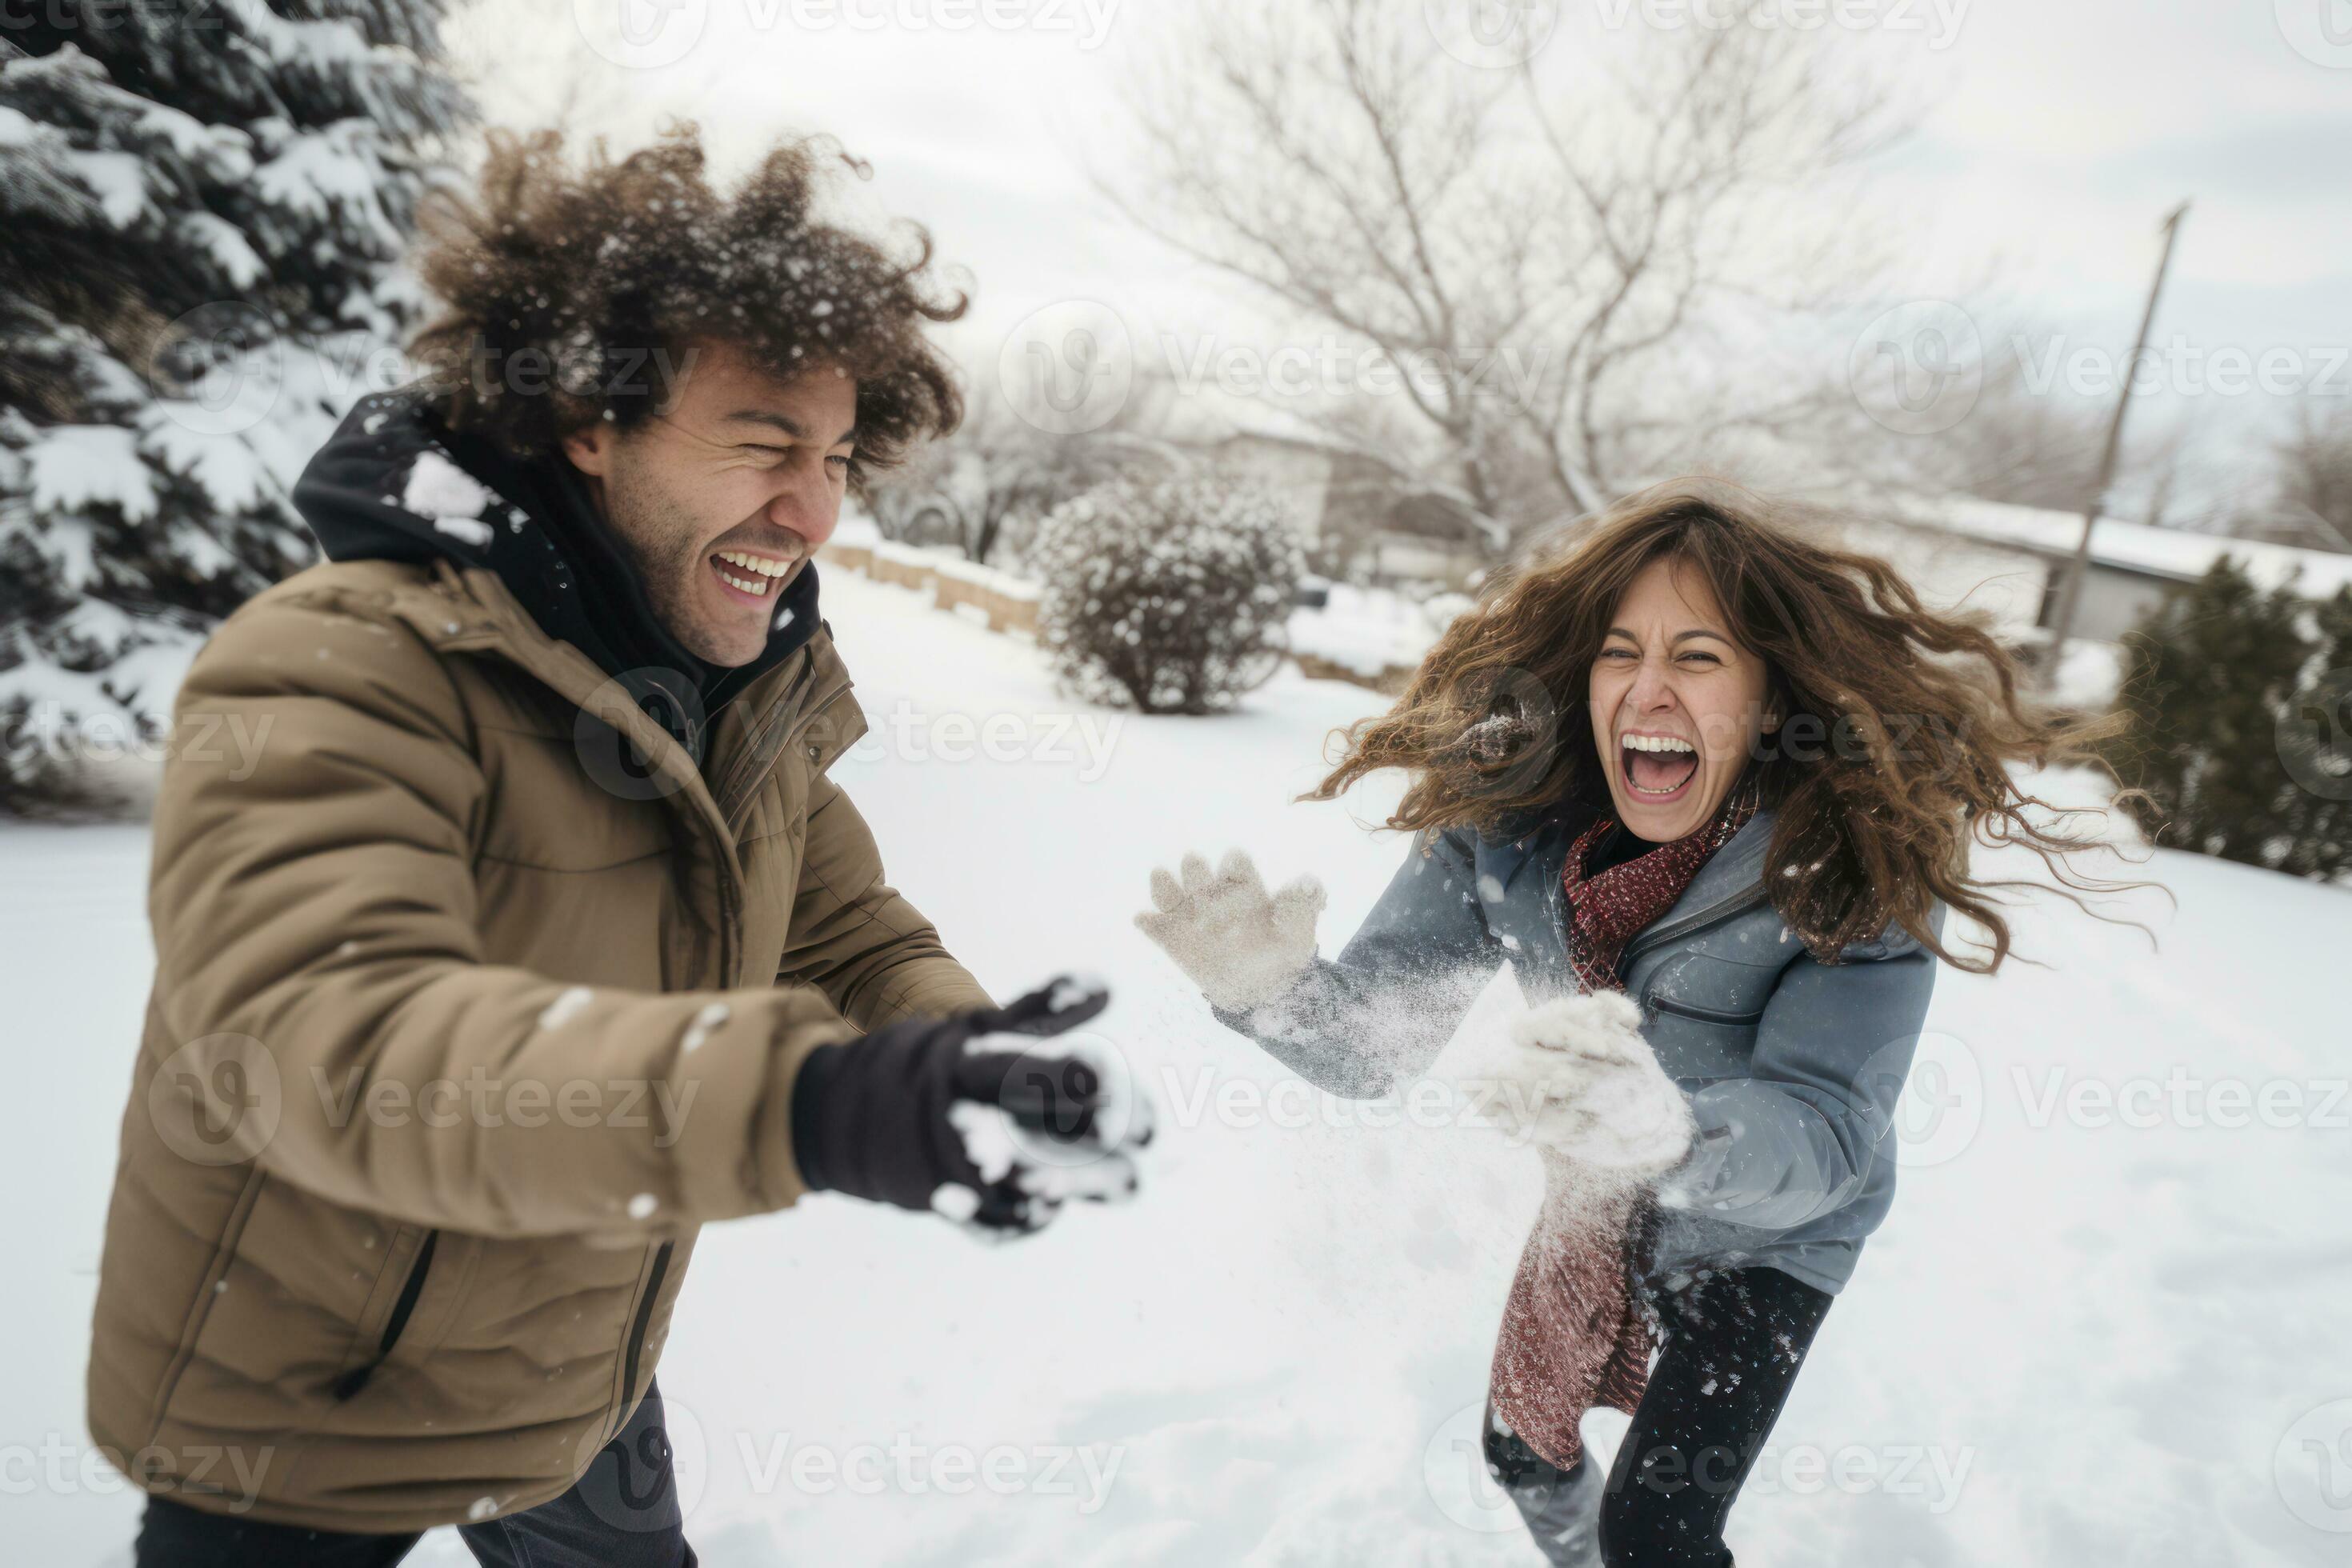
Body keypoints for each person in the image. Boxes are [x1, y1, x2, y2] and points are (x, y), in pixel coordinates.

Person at [91, 126, 1150, 1567]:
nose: (816, 509)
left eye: (837, 456)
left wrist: (960, 1056)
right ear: (588, 420)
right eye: (764, 444)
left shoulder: (723, 703)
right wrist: (811, 1106)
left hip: (576, 1375)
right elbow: (329, 1042)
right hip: (304, 1413)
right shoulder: (343, 666)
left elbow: (843, 934)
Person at [1138, 483, 2125, 1566]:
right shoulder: (1507, 820)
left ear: (1768, 693)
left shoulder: (1855, 859)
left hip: (1773, 1235)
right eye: (1621, 654)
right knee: (1522, 1451)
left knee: (1659, 1528)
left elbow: (1829, 1132)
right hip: (1599, 1189)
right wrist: (1271, 990)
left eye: (1699, 658)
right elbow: (1381, 1043)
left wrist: (1667, 1131)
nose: (1649, 689)